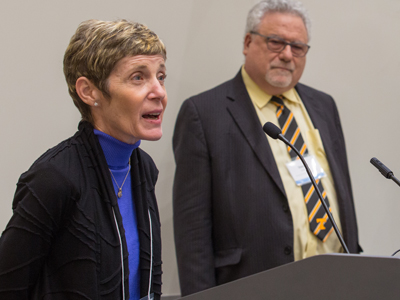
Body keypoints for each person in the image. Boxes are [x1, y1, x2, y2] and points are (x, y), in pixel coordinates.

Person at [173, 0, 361, 296]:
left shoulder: (324, 106)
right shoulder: (204, 114)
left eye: (298, 47)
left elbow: (342, 196)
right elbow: (192, 234)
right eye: (276, 42)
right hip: (254, 286)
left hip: (335, 284)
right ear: (248, 42)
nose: (287, 55)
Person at [0, 19, 167, 300]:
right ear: (89, 91)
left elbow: (148, 283)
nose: (159, 92)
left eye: (160, 76)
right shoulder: (54, 177)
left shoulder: (143, 167)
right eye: (138, 77)